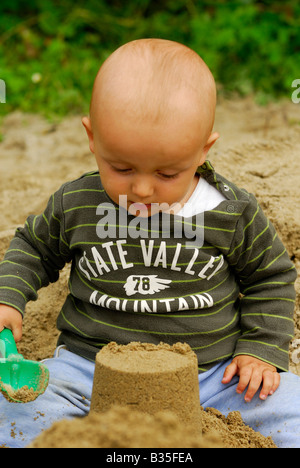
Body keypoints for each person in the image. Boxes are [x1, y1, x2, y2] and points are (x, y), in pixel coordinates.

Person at [0, 38, 299, 448]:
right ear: (93, 137)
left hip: (212, 377)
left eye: (168, 173)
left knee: (291, 410)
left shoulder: (231, 212)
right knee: (15, 413)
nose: (141, 189)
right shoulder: (77, 203)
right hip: (87, 374)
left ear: (203, 150)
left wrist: (261, 349)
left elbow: (272, 277)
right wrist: (7, 298)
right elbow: (32, 249)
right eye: (120, 167)